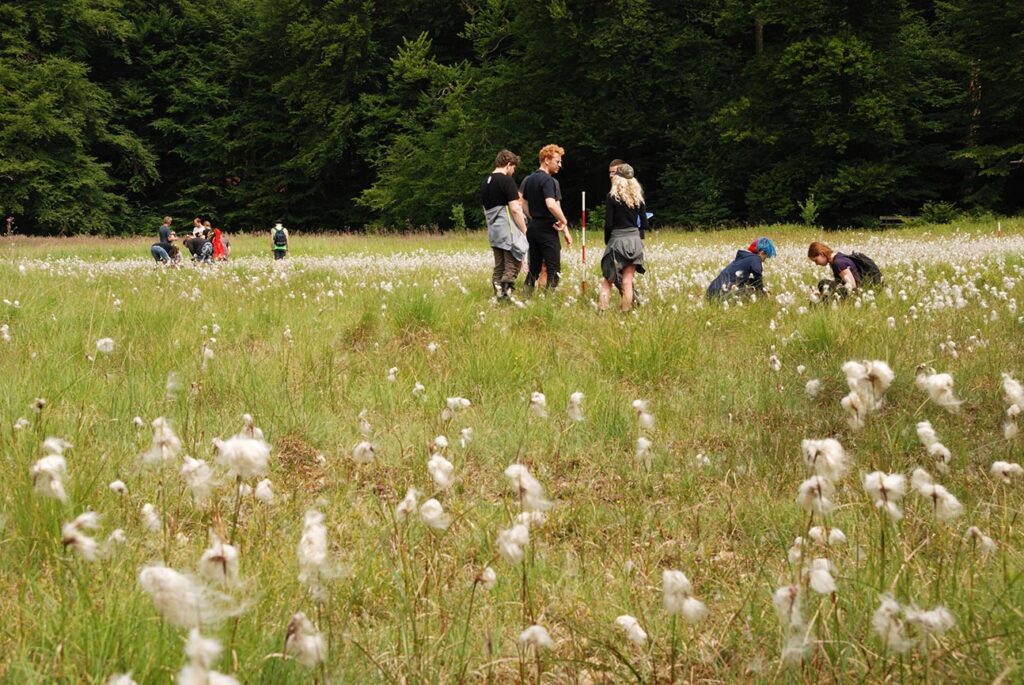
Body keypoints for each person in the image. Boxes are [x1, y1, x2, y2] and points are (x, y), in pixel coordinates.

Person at [520, 144, 572, 290]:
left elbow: (523, 203)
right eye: (557, 161)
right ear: (546, 160)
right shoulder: (548, 180)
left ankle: (526, 295)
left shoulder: (529, 180)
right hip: (547, 230)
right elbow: (551, 204)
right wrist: (564, 221)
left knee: (534, 268)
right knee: (554, 268)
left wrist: (533, 217)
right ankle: (549, 300)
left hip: (533, 228)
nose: (560, 165)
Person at [599, 164, 648, 312]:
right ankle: (625, 313)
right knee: (627, 281)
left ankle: (601, 312)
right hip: (635, 241)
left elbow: (608, 224)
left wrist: (608, 241)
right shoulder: (638, 198)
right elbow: (644, 224)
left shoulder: (612, 197)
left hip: (617, 240)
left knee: (608, 281)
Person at [482, 150, 529, 299]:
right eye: (514, 167)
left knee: (499, 265)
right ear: (508, 164)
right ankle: (505, 296)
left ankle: (497, 294)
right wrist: (524, 229)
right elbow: (515, 209)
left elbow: (485, 209)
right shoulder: (506, 181)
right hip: (507, 229)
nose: (513, 171)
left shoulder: (485, 182)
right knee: (512, 263)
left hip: (493, 230)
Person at [706, 237, 777, 300]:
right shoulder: (756, 259)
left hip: (711, 291)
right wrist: (765, 293)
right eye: (766, 257)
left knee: (750, 288)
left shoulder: (743, 258)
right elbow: (758, 280)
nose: (764, 260)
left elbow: (746, 280)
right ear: (762, 252)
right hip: (721, 294)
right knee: (754, 294)